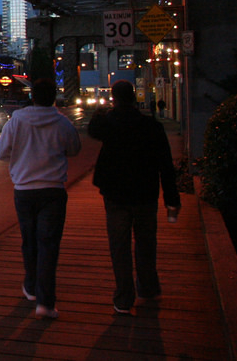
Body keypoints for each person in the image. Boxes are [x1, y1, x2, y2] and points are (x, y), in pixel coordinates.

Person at [89, 80, 181, 315]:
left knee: (119, 246)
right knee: (146, 243)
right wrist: (172, 198)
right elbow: (165, 165)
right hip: (145, 193)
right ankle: (148, 287)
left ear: (115, 99)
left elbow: (93, 129)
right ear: (134, 98)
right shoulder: (151, 126)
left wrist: (101, 111)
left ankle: (123, 297)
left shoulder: (109, 123)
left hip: (116, 194)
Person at [0, 79, 81, 319]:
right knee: (49, 244)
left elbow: (1, 153)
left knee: (29, 240)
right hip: (53, 189)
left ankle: (31, 286)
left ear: (32, 97)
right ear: (53, 98)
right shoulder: (62, 122)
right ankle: (45, 301)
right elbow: (75, 148)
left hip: (23, 189)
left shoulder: (17, 121)